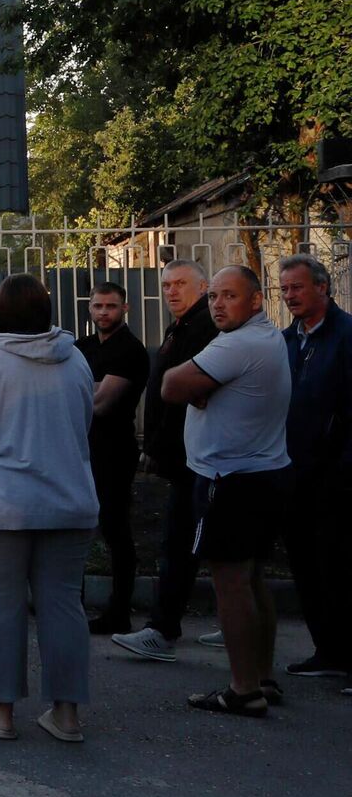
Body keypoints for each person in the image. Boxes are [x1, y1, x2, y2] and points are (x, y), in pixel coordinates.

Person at [0, 275, 99, 743]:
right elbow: (85, 422)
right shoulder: (76, 358)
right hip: (70, 500)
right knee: (63, 605)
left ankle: (0, 712)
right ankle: (66, 715)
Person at [161, 265, 291, 716]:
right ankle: (263, 678)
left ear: (255, 300)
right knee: (252, 578)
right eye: (213, 296)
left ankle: (243, 689)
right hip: (260, 473)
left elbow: (171, 384)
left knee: (231, 582)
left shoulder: (239, 343)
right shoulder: (266, 335)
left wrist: (200, 388)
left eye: (229, 296)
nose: (217, 305)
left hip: (230, 481)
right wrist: (204, 388)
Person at [113, 259, 217, 663]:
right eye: (167, 284)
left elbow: (192, 390)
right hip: (183, 457)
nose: (172, 291)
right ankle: (233, 623)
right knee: (195, 544)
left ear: (202, 286)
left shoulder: (204, 326)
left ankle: (163, 628)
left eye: (181, 284)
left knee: (182, 543)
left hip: (196, 457)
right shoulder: (183, 325)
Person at [275, 255, 351, 680]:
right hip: (293, 470)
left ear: (322, 287)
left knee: (339, 564)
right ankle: (328, 651)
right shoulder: (288, 340)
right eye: (284, 289)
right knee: (305, 564)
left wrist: (343, 466)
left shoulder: (346, 335)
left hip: (336, 474)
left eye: (297, 288)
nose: (289, 297)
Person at [75, 281, 150, 634]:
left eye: (111, 306)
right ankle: (70, 605)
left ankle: (119, 611)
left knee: (115, 530)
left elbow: (102, 404)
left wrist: (84, 392)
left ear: (125, 309)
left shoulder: (130, 350)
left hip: (115, 451)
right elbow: (66, 392)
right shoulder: (83, 347)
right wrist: (91, 389)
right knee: (74, 527)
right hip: (80, 449)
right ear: (89, 308)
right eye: (98, 306)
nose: (103, 312)